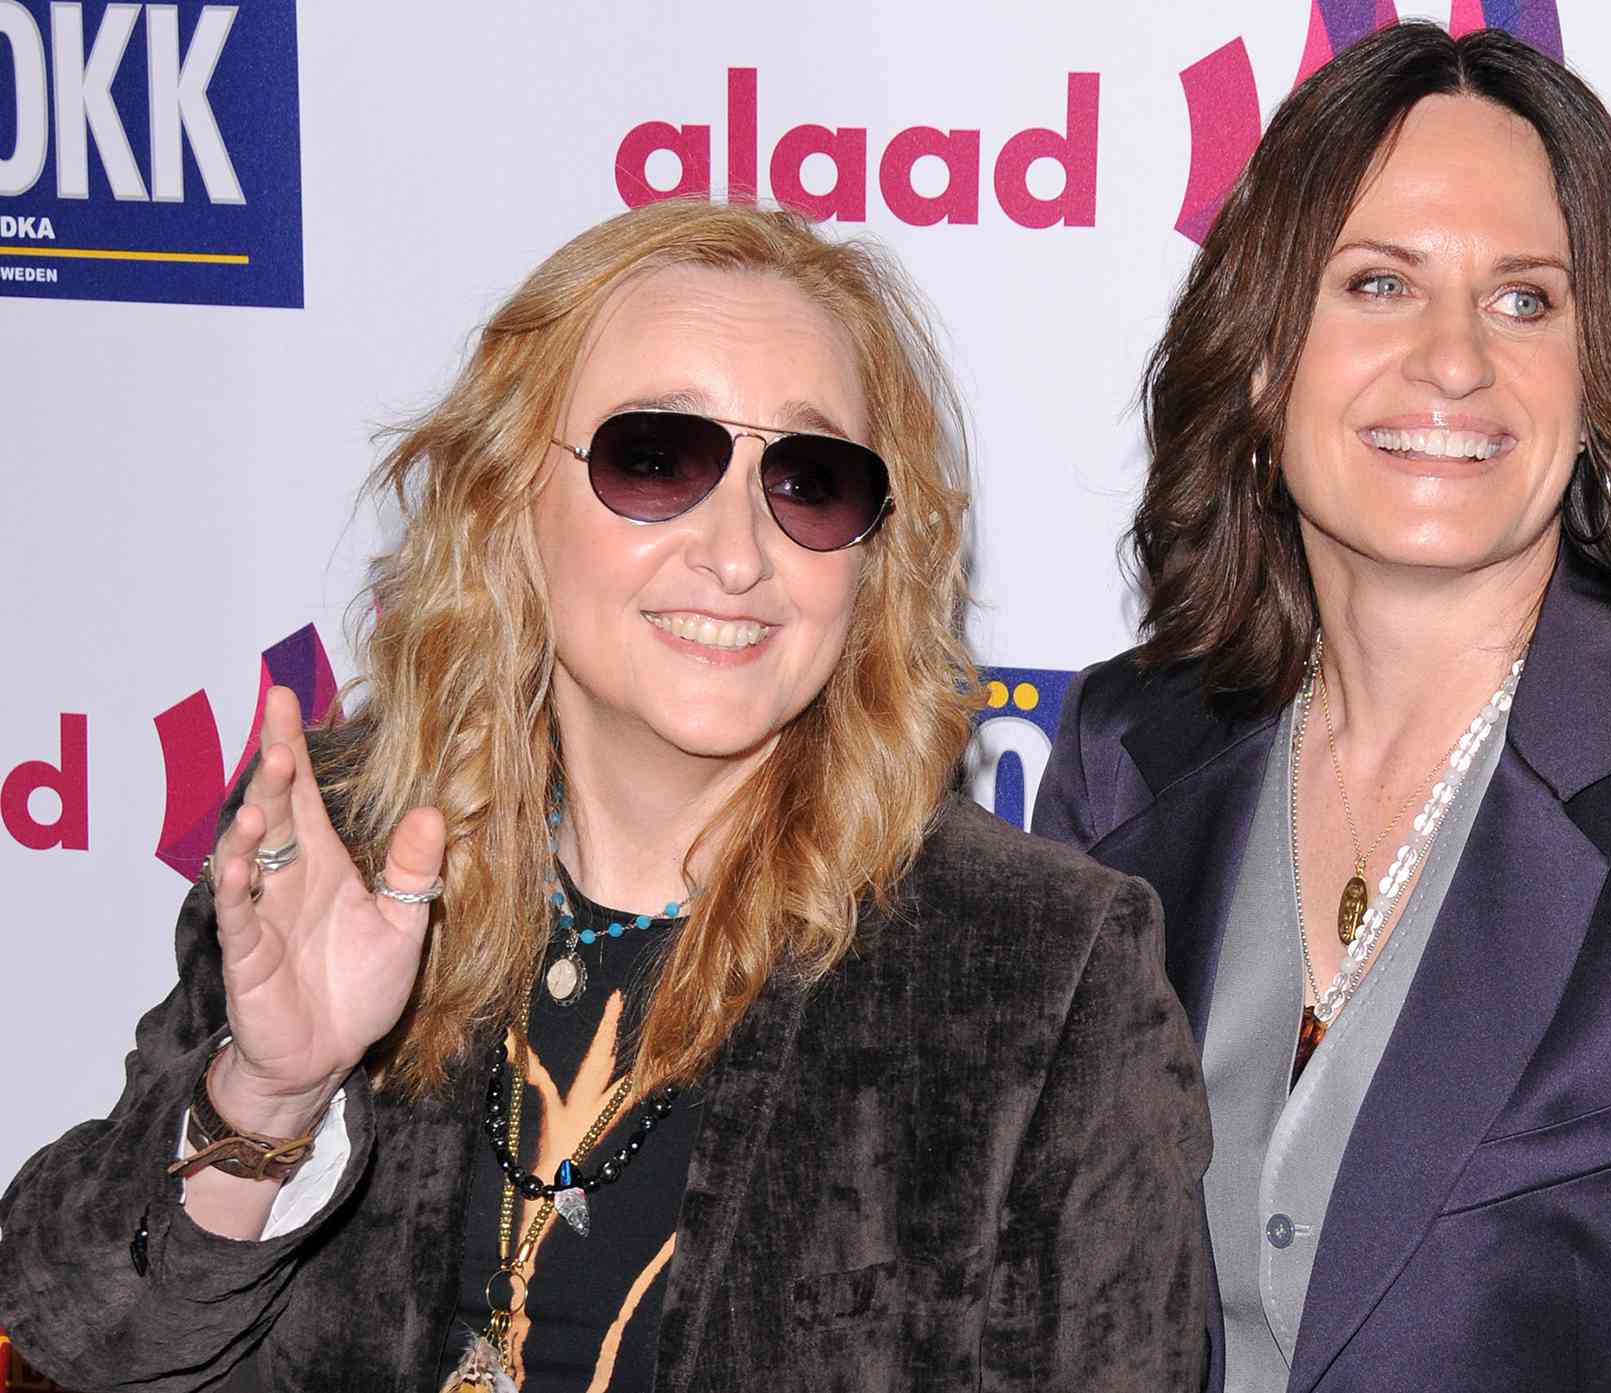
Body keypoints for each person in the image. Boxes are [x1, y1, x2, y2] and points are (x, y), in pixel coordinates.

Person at [0, 199, 1209, 1392]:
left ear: (872, 556)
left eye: (811, 481)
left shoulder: (1034, 969)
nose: (737, 553)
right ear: (507, 500)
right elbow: (82, 1335)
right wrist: (269, 1096)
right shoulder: (340, 843)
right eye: (654, 459)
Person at [1035, 22, 1611, 1393]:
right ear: (1266, 358)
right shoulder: (1125, 759)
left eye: (1525, 299)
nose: (1454, 361)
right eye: (1378, 284)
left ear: (1596, 384)